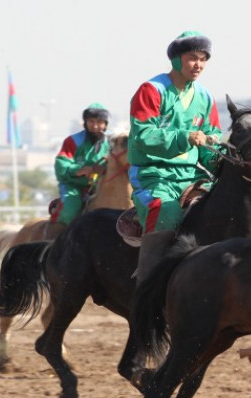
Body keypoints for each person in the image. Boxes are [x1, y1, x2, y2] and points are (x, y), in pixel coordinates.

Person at [127, 30, 222, 284]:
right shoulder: (151, 90)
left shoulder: (206, 98)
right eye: (192, 58)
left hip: (192, 176)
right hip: (153, 175)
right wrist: (185, 137)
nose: (198, 65)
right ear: (176, 59)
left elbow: (211, 141)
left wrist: (220, 160)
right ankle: (147, 286)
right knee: (166, 212)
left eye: (203, 59)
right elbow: (143, 136)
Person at [51, 103, 111, 230]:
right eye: (91, 121)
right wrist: (77, 170)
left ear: (105, 124)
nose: (95, 126)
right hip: (74, 186)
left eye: (99, 122)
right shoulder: (73, 141)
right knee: (70, 212)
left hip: (102, 186)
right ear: (85, 122)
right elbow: (61, 165)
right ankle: (57, 237)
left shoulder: (113, 142)